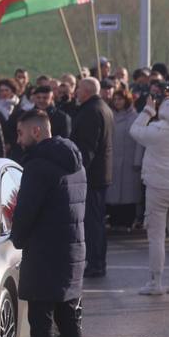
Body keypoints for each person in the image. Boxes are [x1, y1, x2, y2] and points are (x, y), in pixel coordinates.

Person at [5, 109, 87, 337]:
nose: (18, 138)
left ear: (36, 132)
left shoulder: (39, 166)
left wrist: (17, 238)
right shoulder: (75, 162)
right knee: (69, 318)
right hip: (72, 249)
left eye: (20, 132)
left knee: (41, 321)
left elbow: (26, 212)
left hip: (44, 252)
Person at [129, 86, 169, 295]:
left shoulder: (156, 131)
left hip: (157, 188)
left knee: (156, 237)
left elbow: (134, 130)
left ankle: (155, 282)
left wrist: (148, 110)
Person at [70, 77, 114, 278]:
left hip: (92, 177)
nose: (76, 92)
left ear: (86, 91)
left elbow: (87, 147)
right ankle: (97, 262)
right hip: (100, 174)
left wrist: (77, 171)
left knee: (93, 223)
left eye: (78, 89)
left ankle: (96, 263)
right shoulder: (102, 107)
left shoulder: (90, 111)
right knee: (96, 222)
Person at [106, 86, 144, 231]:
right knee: (113, 194)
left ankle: (128, 221)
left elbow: (139, 140)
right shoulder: (110, 116)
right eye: (115, 99)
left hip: (129, 162)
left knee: (128, 194)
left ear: (126, 100)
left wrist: (137, 160)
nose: (117, 102)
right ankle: (114, 221)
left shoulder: (135, 117)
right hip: (113, 161)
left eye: (120, 99)